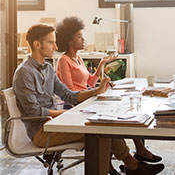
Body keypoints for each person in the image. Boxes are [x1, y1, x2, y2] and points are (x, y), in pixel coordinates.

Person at [13, 24, 164, 175]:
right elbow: (34, 111)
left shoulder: (47, 68)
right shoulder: (25, 73)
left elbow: (69, 95)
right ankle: (126, 166)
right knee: (99, 129)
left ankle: (129, 165)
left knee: (104, 123)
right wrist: (68, 115)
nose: (56, 46)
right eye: (51, 42)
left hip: (55, 124)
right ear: (37, 44)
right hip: (42, 132)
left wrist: (95, 91)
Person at [55, 17, 162, 172]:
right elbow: (71, 93)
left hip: (89, 99)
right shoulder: (63, 61)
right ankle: (131, 163)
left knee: (124, 111)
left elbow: (90, 82)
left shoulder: (77, 58)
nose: (83, 39)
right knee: (110, 121)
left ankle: (138, 152)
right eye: (79, 36)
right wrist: (94, 93)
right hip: (77, 106)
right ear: (69, 40)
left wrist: (101, 66)